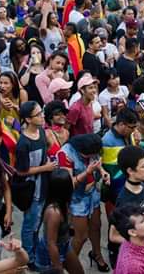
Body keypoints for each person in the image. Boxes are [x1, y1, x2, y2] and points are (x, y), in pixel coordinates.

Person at [56, 134, 109, 270]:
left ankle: (97, 255)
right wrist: (87, 172)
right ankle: (69, 265)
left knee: (96, 226)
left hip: (92, 194)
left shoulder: (92, 146)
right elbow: (67, 184)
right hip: (77, 199)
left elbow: (96, 161)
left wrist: (102, 171)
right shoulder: (65, 154)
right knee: (81, 236)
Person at [15, 101, 55, 268]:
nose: (42, 116)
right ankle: (28, 257)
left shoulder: (40, 132)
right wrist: (45, 167)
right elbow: (22, 171)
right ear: (28, 119)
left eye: (41, 113)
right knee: (30, 223)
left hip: (43, 184)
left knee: (37, 221)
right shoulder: (23, 143)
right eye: (37, 115)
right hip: (31, 189)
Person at [35, 169, 84, 274]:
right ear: (65, 189)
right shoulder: (54, 213)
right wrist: (58, 268)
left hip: (64, 245)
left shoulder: (62, 200)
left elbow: (76, 182)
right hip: (50, 253)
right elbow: (51, 243)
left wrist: (88, 171)